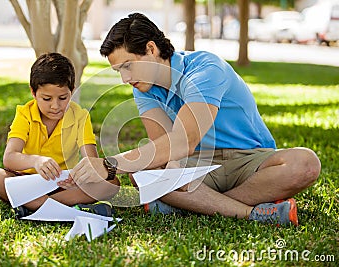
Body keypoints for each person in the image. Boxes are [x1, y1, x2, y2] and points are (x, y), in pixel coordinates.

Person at [68, 13, 321, 226]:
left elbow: (184, 140)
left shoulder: (205, 69)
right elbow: (165, 148)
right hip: (199, 166)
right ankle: (250, 211)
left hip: (249, 161)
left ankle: (205, 206)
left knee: (306, 163)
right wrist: (167, 168)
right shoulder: (142, 88)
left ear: (151, 49)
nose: (124, 78)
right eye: (118, 71)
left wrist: (111, 164)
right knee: (145, 169)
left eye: (127, 66)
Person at [0, 52, 119, 218]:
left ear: (72, 91)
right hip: (26, 180)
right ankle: (66, 208)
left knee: (112, 183)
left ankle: (33, 206)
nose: (55, 106)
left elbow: (91, 161)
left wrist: (79, 175)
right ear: (33, 93)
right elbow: (10, 158)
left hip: (63, 184)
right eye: (47, 98)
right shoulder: (24, 114)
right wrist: (36, 161)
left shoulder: (80, 116)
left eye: (63, 98)